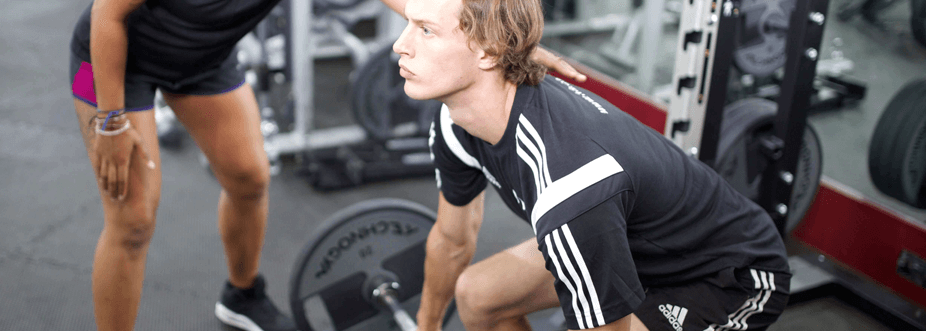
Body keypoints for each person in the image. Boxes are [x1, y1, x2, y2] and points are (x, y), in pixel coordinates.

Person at [66, 0, 585, 329]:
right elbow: (107, 15)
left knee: (250, 178)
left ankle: (241, 296)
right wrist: (110, 123)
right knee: (133, 221)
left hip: (202, 62)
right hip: (111, 62)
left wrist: (500, 41)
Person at [389, 0, 793, 329]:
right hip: (627, 241)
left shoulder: (568, 187)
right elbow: (453, 240)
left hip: (725, 275)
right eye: (409, 23)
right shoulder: (455, 125)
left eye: (426, 30)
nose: (399, 45)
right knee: (478, 294)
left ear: (490, 51)